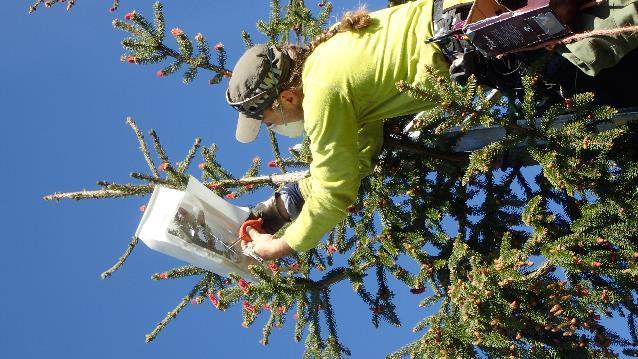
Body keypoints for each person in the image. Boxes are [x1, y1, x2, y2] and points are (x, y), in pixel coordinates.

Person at [224, 0, 638, 261]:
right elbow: (356, 156)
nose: (276, 126)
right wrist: (277, 212)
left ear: (286, 98)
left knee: (594, 93)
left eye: (269, 119)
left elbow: (335, 191)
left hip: (495, 37)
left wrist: (281, 247)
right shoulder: (328, 57)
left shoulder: (321, 94)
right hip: (482, 21)